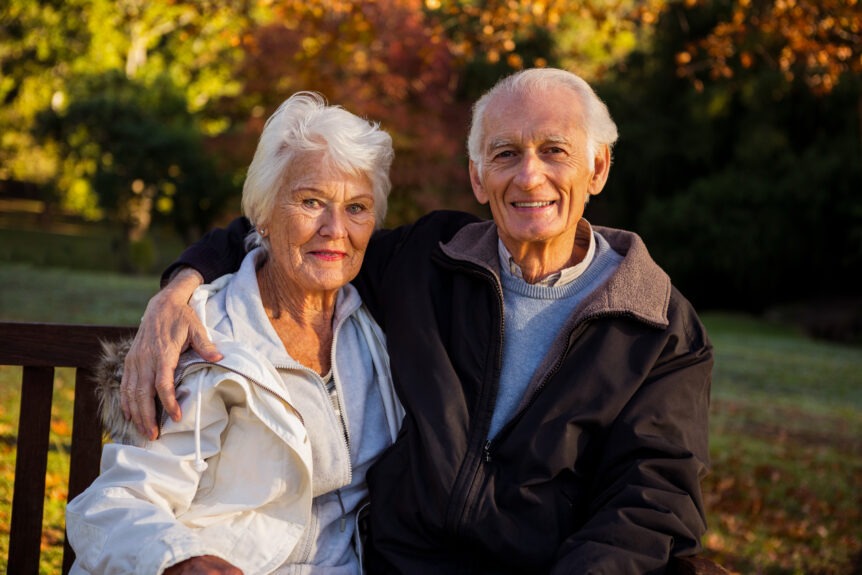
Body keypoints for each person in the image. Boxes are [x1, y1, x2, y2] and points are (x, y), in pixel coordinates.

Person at [122, 68, 713, 573]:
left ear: (598, 168)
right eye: (505, 154)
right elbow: (298, 238)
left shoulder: (659, 326)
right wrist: (180, 287)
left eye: (554, 150)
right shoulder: (429, 258)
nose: (529, 176)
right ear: (478, 178)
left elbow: (652, 503)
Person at [65, 91, 403, 574]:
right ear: (262, 214)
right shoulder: (202, 332)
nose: (335, 229)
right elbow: (119, 500)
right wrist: (178, 561)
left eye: (357, 208)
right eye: (311, 202)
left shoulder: (378, 326)